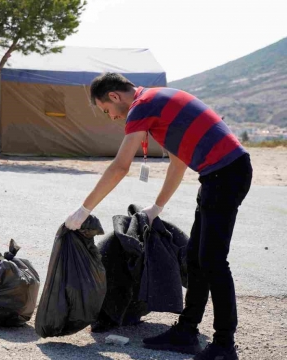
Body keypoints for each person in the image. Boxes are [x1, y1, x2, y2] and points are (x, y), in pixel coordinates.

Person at [65, 73, 251, 360]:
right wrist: (157, 207)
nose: (112, 117)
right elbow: (179, 162)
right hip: (218, 176)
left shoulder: (142, 105)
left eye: (107, 110)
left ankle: (224, 346)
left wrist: (84, 209)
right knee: (195, 258)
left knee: (213, 262)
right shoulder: (158, 102)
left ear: (115, 96)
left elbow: (120, 166)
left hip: (226, 175)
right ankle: (187, 332)